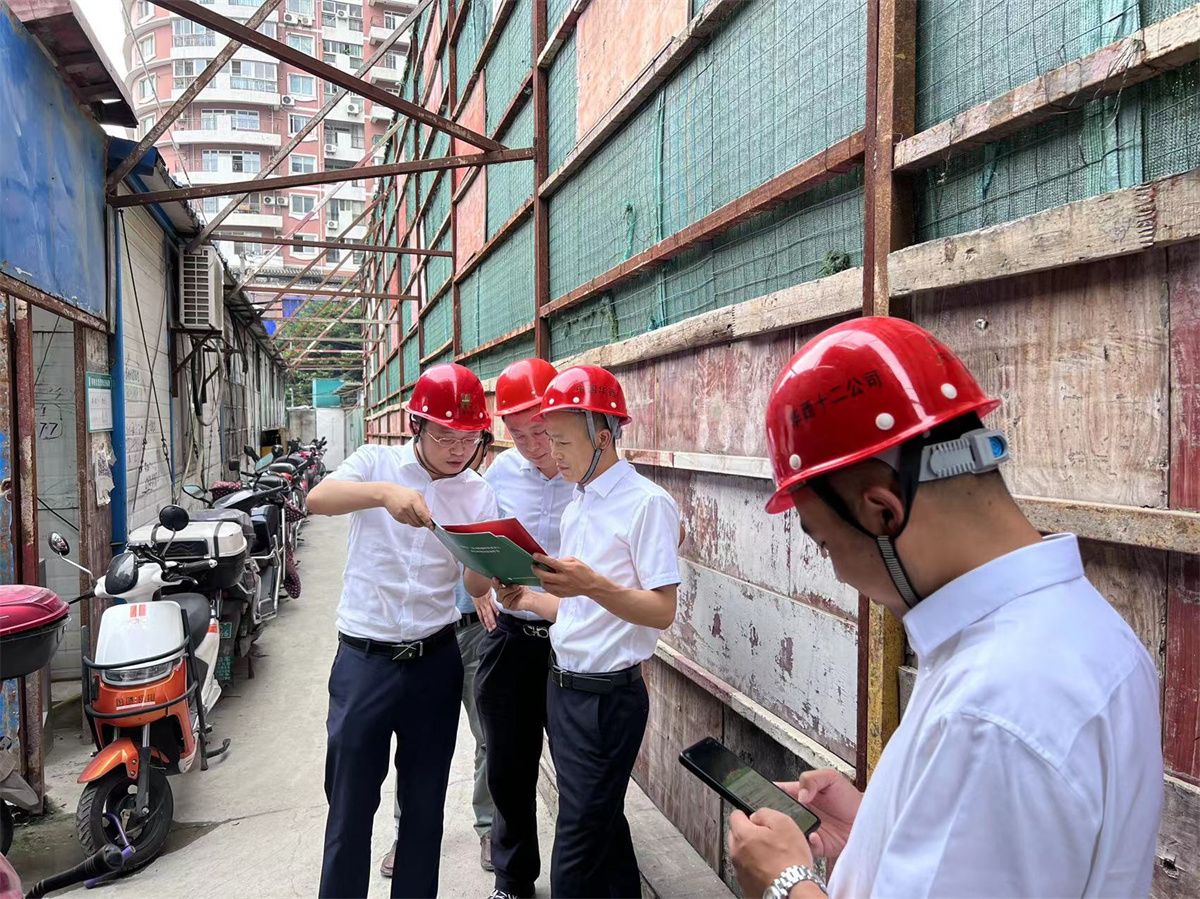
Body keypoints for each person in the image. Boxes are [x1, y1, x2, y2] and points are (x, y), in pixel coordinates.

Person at [727, 318, 1164, 898]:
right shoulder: (1080, 631)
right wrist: (874, 828)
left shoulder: (991, 712)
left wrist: (784, 882)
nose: (840, 574)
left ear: (882, 512)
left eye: (826, 544)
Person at [308, 363, 499, 899]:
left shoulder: (478, 494)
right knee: (350, 804)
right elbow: (318, 499)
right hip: (365, 661)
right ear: (417, 425)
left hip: (434, 663)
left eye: (469, 438)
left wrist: (487, 567)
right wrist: (383, 495)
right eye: (445, 437)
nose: (458, 450)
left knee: (424, 805)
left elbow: (474, 580)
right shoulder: (377, 463)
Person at [495, 365, 682, 899]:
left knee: (576, 846)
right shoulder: (579, 501)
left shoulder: (647, 504)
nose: (551, 453)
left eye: (560, 441)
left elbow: (662, 610)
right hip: (564, 689)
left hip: (607, 700)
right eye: (546, 439)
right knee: (601, 824)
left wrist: (592, 584)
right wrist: (529, 598)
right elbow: (580, 613)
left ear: (602, 437)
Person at [472, 358, 576, 899]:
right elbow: (482, 543)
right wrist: (480, 586)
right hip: (513, 638)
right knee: (508, 767)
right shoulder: (500, 475)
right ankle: (513, 881)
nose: (533, 446)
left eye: (540, 430)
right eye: (518, 434)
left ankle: (583, 881)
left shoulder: (589, 470)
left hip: (573, 643)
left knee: (581, 769)